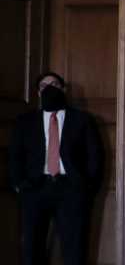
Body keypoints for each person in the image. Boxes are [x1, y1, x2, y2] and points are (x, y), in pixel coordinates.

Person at [9, 72, 103, 265]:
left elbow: (95, 156)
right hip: (35, 188)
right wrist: (19, 184)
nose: (49, 89)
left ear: (63, 89)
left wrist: (87, 188)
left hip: (70, 189)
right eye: (44, 86)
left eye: (54, 84)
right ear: (37, 92)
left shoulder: (82, 120)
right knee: (31, 249)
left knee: (74, 250)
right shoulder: (24, 122)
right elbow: (15, 156)